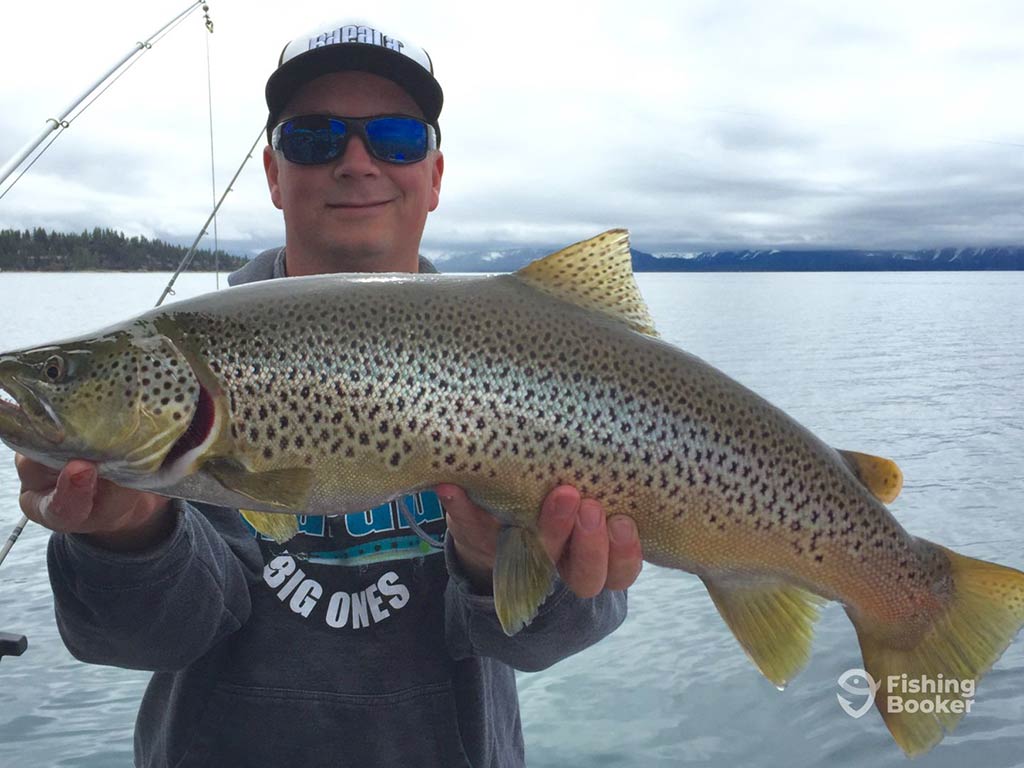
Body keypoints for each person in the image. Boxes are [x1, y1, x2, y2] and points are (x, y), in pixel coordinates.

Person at [15, 19, 644, 768]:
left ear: (435, 176)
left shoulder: (519, 356)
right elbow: (144, 639)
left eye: (396, 138)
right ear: (275, 173)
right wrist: (126, 536)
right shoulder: (204, 375)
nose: (356, 162)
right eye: (314, 137)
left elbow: (551, 639)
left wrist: (499, 561)